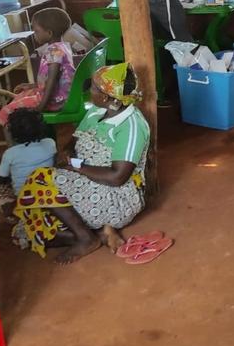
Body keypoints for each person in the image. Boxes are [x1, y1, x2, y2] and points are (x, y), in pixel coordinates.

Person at [14, 63, 149, 264]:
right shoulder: (96, 111)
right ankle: (99, 233)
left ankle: (86, 237)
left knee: (39, 180)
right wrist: (67, 151)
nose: (89, 91)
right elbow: (75, 140)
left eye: (94, 88)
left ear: (107, 97)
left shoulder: (131, 126)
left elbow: (117, 177)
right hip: (84, 181)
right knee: (31, 227)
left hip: (115, 196)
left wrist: (75, 167)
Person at [0, 8, 76, 126]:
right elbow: (57, 78)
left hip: (55, 100)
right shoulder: (63, 46)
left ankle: (20, 139)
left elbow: (52, 81)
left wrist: (41, 107)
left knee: (7, 110)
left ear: (49, 33)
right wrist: (33, 86)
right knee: (20, 95)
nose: (34, 34)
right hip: (63, 95)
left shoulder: (54, 51)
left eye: (36, 31)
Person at [0, 108, 55, 231]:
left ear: (12, 132)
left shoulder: (10, 154)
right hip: (48, 194)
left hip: (24, 199)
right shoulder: (50, 143)